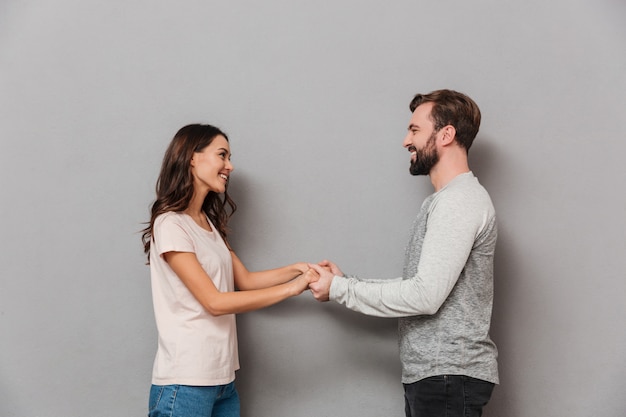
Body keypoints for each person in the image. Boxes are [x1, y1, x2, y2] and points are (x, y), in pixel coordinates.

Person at [308, 89, 498, 417]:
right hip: (437, 377)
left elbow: (424, 296)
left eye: (414, 130)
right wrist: (346, 282)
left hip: (448, 377)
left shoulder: (458, 202)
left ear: (446, 134)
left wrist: (339, 289)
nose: (405, 141)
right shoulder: (443, 202)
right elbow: (422, 284)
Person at [141, 124, 317, 417]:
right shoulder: (171, 224)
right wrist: (292, 289)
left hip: (223, 381)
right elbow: (214, 302)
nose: (229, 166)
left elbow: (245, 280)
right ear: (192, 157)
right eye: (222, 155)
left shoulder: (209, 225)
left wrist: (299, 270)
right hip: (185, 382)